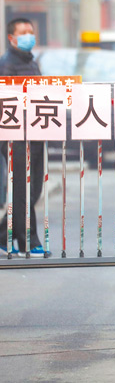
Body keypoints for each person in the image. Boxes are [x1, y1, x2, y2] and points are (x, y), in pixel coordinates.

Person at [0, 18, 46, 255]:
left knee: (34, 189)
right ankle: (29, 241)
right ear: (12, 38)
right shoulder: (7, 65)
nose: (29, 35)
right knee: (22, 190)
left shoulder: (31, 62)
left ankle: (2, 235)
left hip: (35, 134)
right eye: (23, 32)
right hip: (16, 137)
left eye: (31, 31)